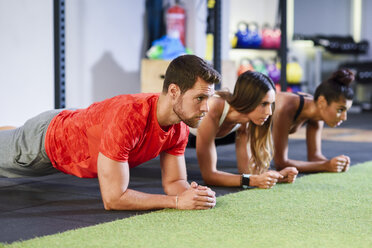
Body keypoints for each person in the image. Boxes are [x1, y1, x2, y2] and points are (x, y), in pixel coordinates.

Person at [0, 55, 220, 211]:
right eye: (200, 98)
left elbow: (175, 182)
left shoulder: (178, 127)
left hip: (72, 121)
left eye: (208, 99)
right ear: (174, 91)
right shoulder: (129, 117)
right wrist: (176, 203)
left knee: (12, 136)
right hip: (43, 144)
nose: (206, 108)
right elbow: (114, 199)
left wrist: (195, 195)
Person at [189, 71, 298, 189]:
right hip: (185, 137)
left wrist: (278, 176)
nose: (269, 112)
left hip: (213, 136)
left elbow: (245, 172)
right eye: (263, 104)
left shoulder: (246, 120)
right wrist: (253, 180)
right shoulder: (212, 108)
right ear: (248, 100)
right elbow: (209, 176)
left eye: (271, 104)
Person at [272, 68, 354, 173]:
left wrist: (335, 163)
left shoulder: (318, 113)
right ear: (322, 102)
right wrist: (326, 165)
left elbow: (315, 157)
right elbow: (281, 163)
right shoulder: (287, 108)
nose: (344, 117)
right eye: (340, 110)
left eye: (346, 110)